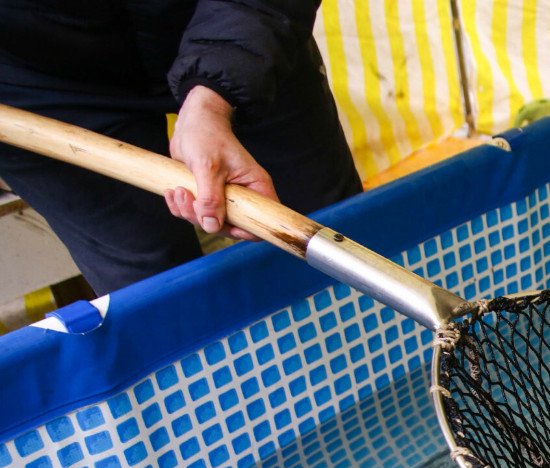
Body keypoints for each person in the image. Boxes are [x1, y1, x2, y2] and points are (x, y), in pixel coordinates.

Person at [0, 0, 362, 295]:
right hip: (35, 78)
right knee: (151, 289)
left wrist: (212, 100)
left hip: (242, 30)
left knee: (334, 238)